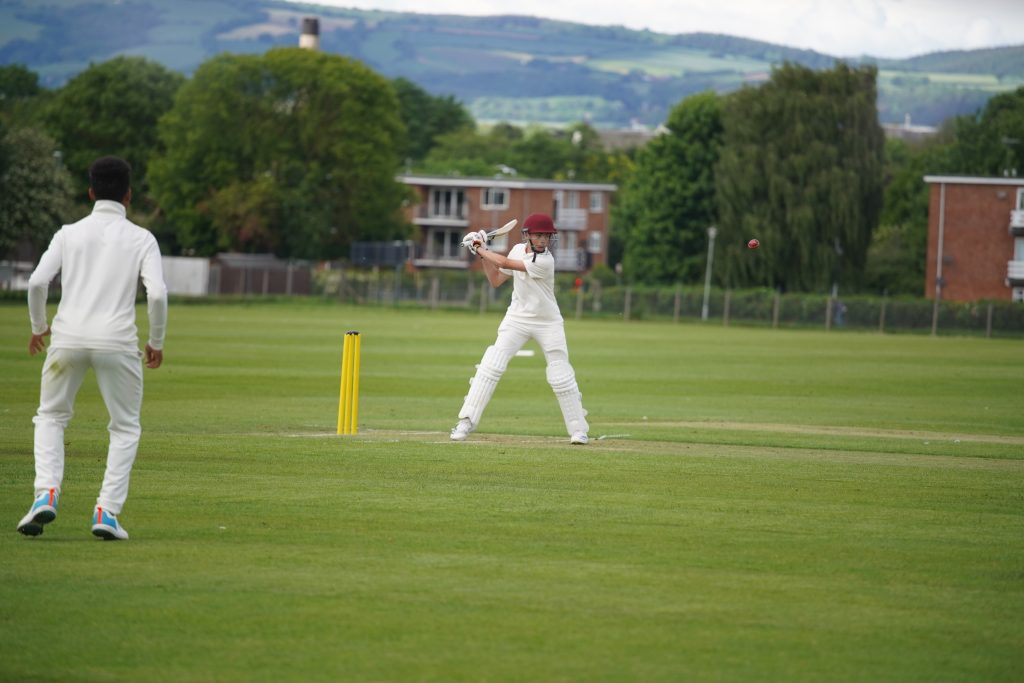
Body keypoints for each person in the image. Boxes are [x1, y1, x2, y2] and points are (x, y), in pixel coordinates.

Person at [17, 156, 167, 541]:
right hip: (117, 342)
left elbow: (36, 283)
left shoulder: (68, 233)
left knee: (50, 417)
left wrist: (39, 328)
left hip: (66, 339)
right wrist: (156, 342)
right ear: (129, 196)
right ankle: (106, 511)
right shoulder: (141, 238)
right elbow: (159, 294)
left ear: (90, 192)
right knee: (125, 427)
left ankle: (45, 493)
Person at [451, 213, 589, 444]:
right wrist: (483, 251)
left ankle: (578, 430)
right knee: (490, 365)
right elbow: (496, 279)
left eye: (546, 236)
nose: (543, 240)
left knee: (560, 375)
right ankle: (465, 421)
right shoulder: (516, 250)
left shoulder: (545, 261)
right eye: (538, 235)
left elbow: (503, 263)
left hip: (548, 322)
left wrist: (478, 248)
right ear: (528, 236)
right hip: (517, 319)